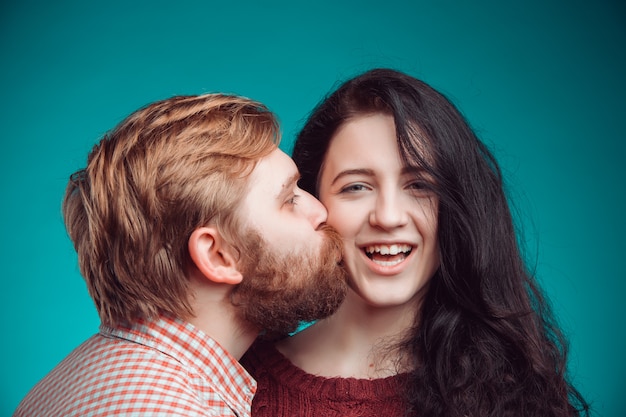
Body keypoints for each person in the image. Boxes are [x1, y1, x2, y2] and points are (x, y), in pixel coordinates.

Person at [241, 69, 590, 416]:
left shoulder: (519, 395)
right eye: (356, 187)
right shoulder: (234, 384)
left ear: (455, 207)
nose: (389, 217)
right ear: (313, 203)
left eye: (419, 185)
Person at [13, 93, 348, 417]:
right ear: (217, 255)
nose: (319, 211)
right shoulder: (179, 408)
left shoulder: (63, 384)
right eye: (289, 200)